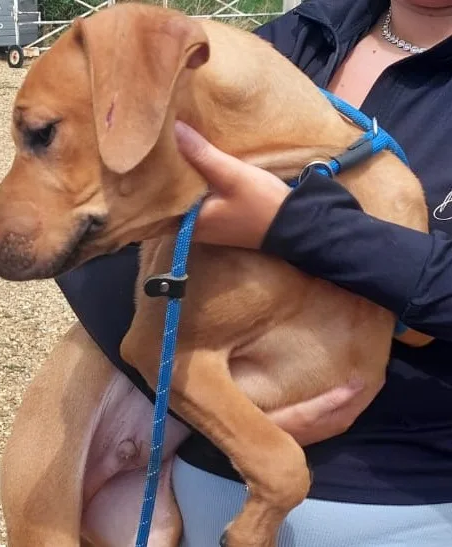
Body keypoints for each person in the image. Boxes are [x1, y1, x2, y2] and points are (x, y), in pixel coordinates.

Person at [56, 0, 452, 544]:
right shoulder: (304, 32)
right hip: (199, 458)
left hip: (394, 489)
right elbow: (88, 192)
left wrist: (292, 226)